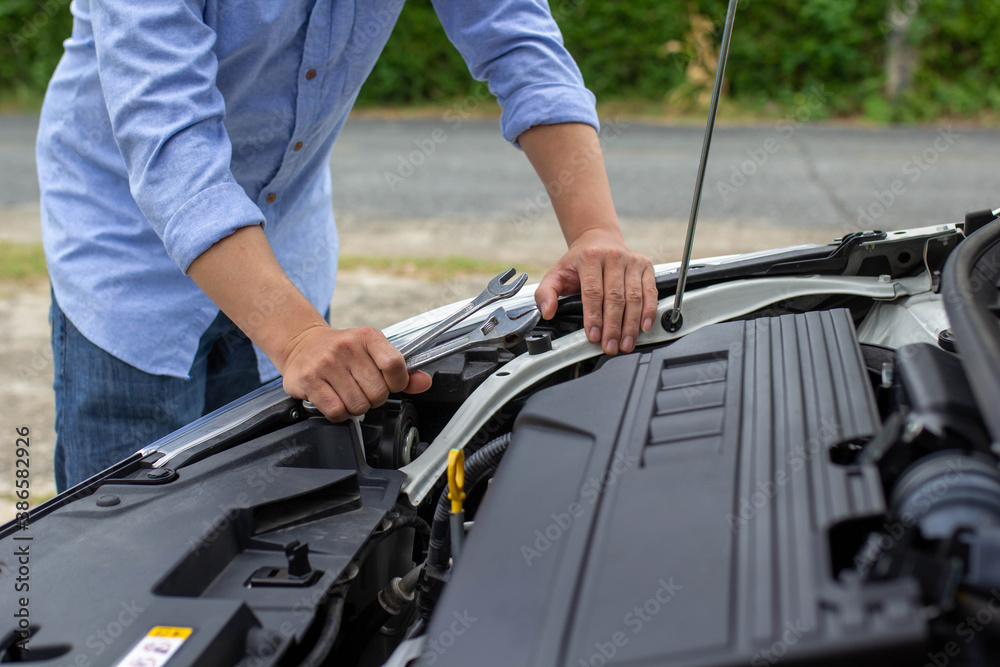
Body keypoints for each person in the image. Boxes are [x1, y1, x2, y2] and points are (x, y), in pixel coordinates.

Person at [37, 0, 659, 492]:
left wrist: (593, 232)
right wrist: (299, 337)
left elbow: (518, 44)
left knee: (272, 520)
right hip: (125, 259)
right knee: (126, 540)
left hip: (287, 246)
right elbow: (170, 141)